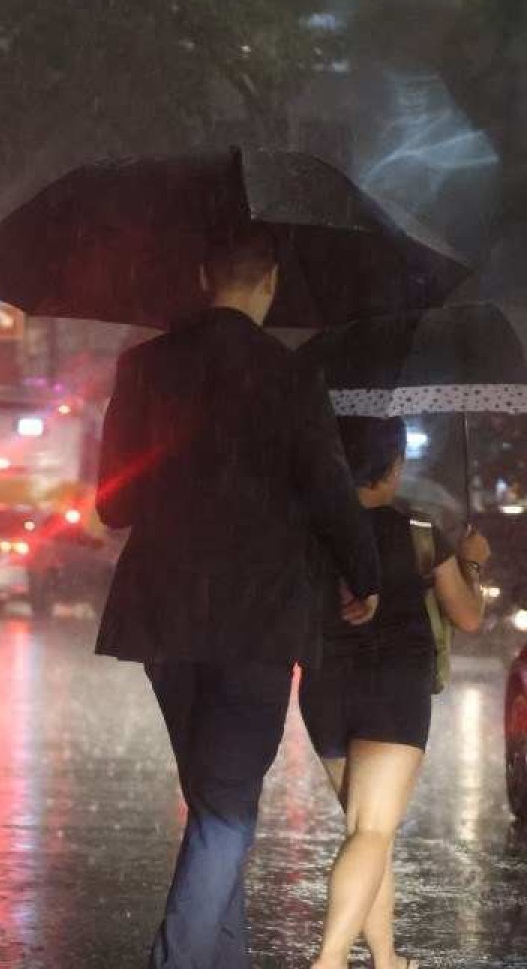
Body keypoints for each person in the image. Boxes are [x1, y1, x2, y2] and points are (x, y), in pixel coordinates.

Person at [94, 224, 383, 969]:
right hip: (257, 616)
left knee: (216, 800)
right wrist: (367, 575)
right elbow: (329, 491)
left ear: (201, 275)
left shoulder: (145, 367)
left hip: (163, 611)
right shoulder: (290, 377)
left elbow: (111, 505)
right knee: (225, 808)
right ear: (271, 284)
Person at [300, 417, 489, 969]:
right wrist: (472, 560)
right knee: (372, 830)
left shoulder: (311, 527)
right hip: (393, 690)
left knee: (367, 833)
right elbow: (468, 616)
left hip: (325, 688)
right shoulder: (422, 531)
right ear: (394, 466)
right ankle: (329, 961)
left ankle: (387, 959)